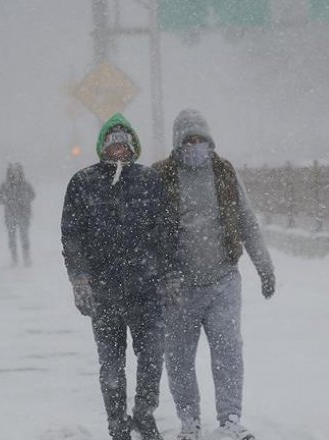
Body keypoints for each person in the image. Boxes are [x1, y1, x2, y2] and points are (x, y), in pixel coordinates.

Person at [153, 109, 276, 440]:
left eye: (200, 140)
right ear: (179, 144)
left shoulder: (223, 172)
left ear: (209, 141)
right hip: (178, 287)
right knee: (178, 359)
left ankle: (230, 420)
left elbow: (247, 221)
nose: (195, 146)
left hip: (222, 281)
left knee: (228, 353)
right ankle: (189, 422)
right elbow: (143, 230)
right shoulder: (161, 176)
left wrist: (264, 267)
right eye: (189, 140)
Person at [61, 113, 178, 440]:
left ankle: (144, 411)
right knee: (112, 366)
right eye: (113, 146)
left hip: (146, 288)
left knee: (153, 355)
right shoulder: (83, 182)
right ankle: (117, 423)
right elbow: (72, 236)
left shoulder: (149, 181)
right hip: (104, 292)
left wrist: (170, 275)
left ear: (133, 147)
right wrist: (79, 279)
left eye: (124, 145)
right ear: (103, 148)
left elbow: (167, 233)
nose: (119, 151)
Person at [0, 162, 35, 266]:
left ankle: (26, 257)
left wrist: (24, 201)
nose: (14, 174)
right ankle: (14, 258)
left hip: (22, 214)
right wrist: (7, 201)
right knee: (12, 238)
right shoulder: (5, 185)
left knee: (23, 237)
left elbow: (32, 195)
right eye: (12, 172)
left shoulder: (25, 184)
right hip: (11, 215)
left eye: (16, 172)